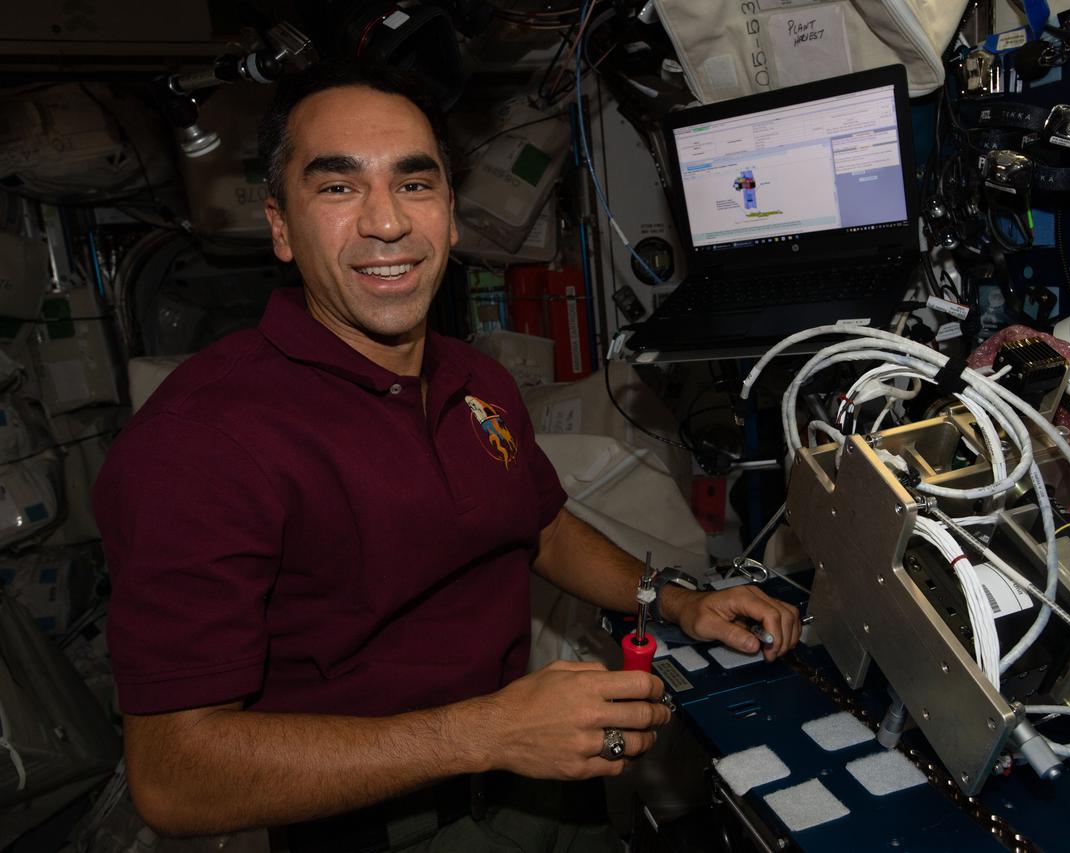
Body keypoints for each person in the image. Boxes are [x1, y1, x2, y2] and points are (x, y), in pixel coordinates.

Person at [92, 61, 801, 850]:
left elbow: (540, 527)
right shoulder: (200, 442)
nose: (386, 222)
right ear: (281, 226)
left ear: (451, 214)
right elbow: (172, 773)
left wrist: (674, 601)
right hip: (377, 823)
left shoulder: (475, 378)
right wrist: (485, 734)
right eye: (338, 187)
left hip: (541, 783)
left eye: (414, 183)